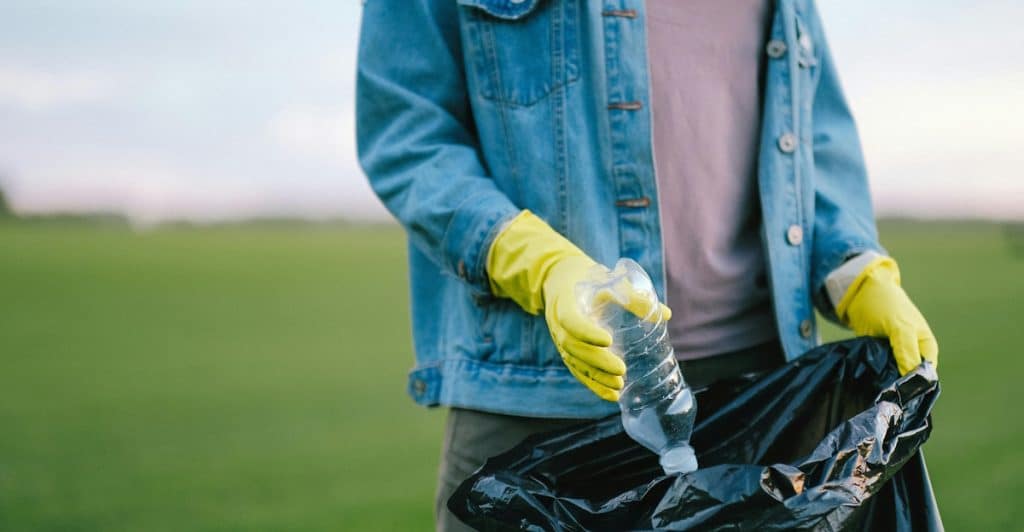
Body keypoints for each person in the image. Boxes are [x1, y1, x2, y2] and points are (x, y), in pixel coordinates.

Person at [356, 1, 938, 530]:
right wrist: (538, 263)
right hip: (534, 404)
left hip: (765, 400)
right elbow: (408, 132)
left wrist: (854, 267)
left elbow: (809, 123)